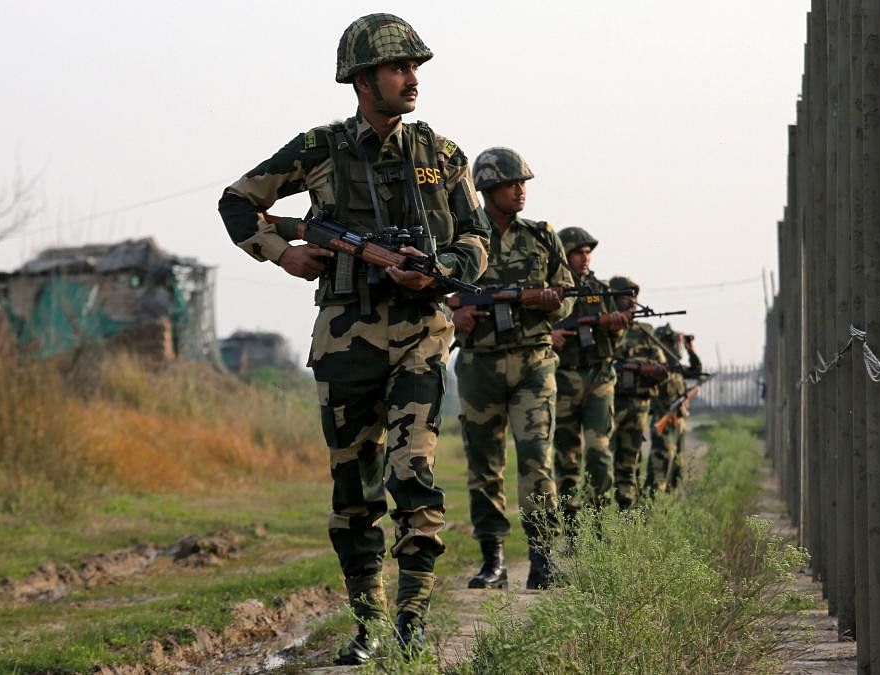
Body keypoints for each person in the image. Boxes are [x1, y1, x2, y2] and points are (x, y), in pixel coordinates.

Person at [217, 13, 489, 664]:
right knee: (353, 488)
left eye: (416, 67)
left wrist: (441, 270)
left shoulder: (443, 155)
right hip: (344, 338)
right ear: (363, 79)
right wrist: (281, 253)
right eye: (400, 67)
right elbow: (236, 201)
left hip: (422, 333)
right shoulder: (320, 148)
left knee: (414, 473)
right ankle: (368, 624)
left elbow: (476, 241)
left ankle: (411, 624)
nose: (412, 78)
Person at [453, 147, 573, 591]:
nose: (520, 190)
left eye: (523, 183)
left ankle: (542, 559)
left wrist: (545, 303)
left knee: (537, 461)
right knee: (483, 465)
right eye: (511, 183)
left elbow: (570, 296)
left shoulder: (542, 237)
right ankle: (493, 561)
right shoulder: (460, 237)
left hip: (532, 363)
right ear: (487, 188)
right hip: (479, 364)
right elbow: (433, 288)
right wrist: (455, 315)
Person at [550, 228, 628, 526]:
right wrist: (551, 335)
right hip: (564, 377)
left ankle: (598, 525)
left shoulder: (601, 289)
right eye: (578, 252)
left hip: (599, 376)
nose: (585, 258)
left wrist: (615, 325)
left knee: (598, 449)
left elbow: (617, 342)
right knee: (567, 456)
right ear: (565, 255)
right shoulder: (552, 288)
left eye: (588, 252)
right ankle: (570, 525)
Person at [606, 277, 668, 509]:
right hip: (609, 402)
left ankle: (626, 507)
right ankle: (597, 511)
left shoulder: (645, 331)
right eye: (625, 295)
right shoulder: (604, 328)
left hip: (638, 404)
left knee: (630, 460)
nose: (632, 300)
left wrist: (642, 367)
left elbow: (663, 369)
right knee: (601, 458)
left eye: (634, 295)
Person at [645, 325, 702, 493]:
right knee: (659, 466)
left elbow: (696, 371)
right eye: (670, 342)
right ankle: (649, 501)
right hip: (663, 421)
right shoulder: (656, 368)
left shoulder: (676, 368)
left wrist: (690, 349)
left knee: (678, 465)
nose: (675, 346)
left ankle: (668, 503)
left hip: (678, 422)